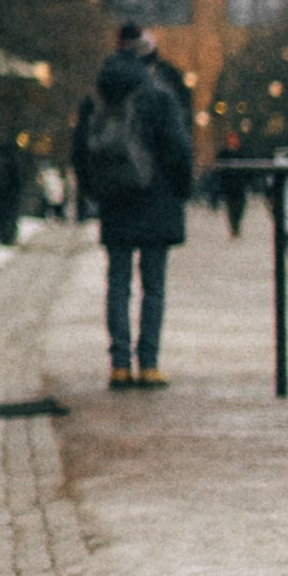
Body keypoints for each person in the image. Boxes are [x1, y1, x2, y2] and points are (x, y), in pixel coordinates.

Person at [73, 21, 195, 389]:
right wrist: (181, 189)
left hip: (115, 197)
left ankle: (120, 364)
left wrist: (94, 191)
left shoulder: (96, 96)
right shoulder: (158, 94)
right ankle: (149, 363)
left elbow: (80, 152)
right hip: (156, 196)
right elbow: (178, 148)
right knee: (153, 285)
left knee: (118, 281)